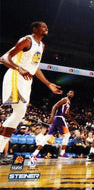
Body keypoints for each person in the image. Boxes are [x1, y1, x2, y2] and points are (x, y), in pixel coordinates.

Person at [0, 21, 62, 163]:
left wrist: (48, 84)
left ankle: (1, 151)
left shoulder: (42, 45)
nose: (46, 28)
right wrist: (18, 68)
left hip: (27, 80)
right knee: (18, 113)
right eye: (43, 26)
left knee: (18, 114)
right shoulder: (26, 40)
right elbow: (4, 58)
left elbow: (35, 67)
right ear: (35, 29)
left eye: (47, 26)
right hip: (16, 76)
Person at [31, 90, 78, 163]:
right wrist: (51, 117)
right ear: (67, 93)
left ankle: (34, 154)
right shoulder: (64, 99)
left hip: (58, 119)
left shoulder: (69, 102)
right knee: (67, 135)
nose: (71, 93)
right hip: (59, 118)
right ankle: (62, 154)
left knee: (47, 136)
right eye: (70, 92)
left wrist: (74, 121)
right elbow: (55, 106)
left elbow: (67, 114)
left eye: (72, 93)